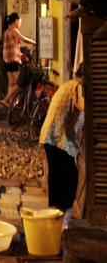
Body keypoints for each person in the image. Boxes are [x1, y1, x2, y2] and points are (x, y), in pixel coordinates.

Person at [39, 65, 84, 225]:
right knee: (69, 177)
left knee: (59, 177)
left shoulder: (68, 84)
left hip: (51, 135)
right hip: (57, 137)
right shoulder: (78, 87)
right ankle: (62, 220)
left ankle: (57, 218)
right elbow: (85, 107)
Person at [0, 12, 36, 107]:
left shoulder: (7, 31)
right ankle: (6, 99)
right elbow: (23, 38)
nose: (20, 24)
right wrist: (35, 42)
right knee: (20, 83)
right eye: (20, 22)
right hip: (13, 60)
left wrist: (22, 54)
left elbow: (12, 47)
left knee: (12, 82)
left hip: (7, 60)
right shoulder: (13, 30)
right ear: (16, 21)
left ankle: (12, 103)